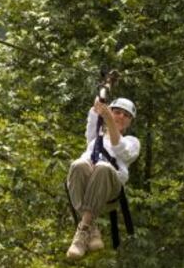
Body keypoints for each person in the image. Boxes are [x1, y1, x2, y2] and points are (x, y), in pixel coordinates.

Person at [66, 97, 140, 259]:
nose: (121, 116)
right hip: (87, 190)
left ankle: (82, 231)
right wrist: (105, 87)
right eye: (117, 112)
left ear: (130, 122)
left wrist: (109, 119)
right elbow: (95, 109)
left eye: (126, 115)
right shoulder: (95, 135)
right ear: (110, 112)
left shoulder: (132, 142)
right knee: (78, 165)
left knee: (103, 167)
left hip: (109, 193)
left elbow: (118, 146)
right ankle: (91, 227)